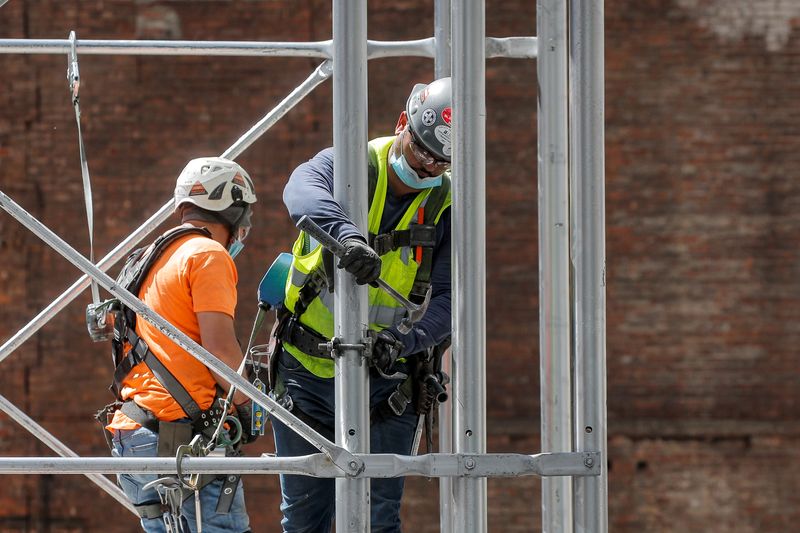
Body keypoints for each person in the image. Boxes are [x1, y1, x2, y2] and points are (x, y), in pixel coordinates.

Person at [272, 77, 453, 533]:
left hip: (385, 384)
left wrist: (407, 339)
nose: (426, 167)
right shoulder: (353, 162)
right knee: (304, 518)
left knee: (378, 518)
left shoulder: (446, 203)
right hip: (305, 372)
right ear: (401, 125)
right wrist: (348, 238)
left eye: (438, 163)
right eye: (420, 152)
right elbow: (300, 191)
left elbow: (454, 301)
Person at [104, 157, 258, 533]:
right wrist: (252, 406)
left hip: (133, 435)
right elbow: (219, 351)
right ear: (232, 210)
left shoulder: (149, 258)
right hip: (182, 442)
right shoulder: (207, 255)